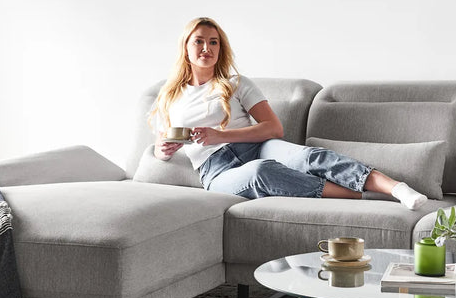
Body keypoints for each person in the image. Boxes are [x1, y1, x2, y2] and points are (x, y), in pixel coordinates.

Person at [150, 17, 427, 209]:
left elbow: (274, 128)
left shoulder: (236, 84)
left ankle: (395, 188)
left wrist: (219, 135)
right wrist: (164, 150)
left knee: (307, 156)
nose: (206, 49)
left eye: (213, 42)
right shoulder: (169, 96)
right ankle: (359, 195)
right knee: (261, 172)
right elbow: (164, 149)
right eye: (199, 41)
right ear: (186, 47)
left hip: (256, 147)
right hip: (216, 171)